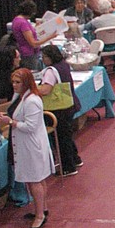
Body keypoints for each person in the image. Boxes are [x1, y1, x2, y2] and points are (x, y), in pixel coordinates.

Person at [0, 68, 53, 228]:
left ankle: (39, 216)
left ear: (26, 82)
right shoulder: (21, 97)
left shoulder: (32, 101)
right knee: (37, 178)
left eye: (18, 82)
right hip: (26, 144)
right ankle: (42, 207)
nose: (14, 85)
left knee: (35, 179)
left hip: (31, 145)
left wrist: (11, 122)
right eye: (13, 82)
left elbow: (30, 126)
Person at [39, 45, 82, 177]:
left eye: (44, 57)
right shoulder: (64, 65)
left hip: (58, 109)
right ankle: (75, 159)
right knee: (67, 135)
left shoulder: (50, 71)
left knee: (61, 138)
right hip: (69, 104)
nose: (43, 59)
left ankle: (68, 167)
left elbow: (46, 90)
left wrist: (32, 89)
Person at [11, 0, 47, 70]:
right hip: (29, 54)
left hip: (25, 52)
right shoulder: (23, 23)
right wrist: (50, 36)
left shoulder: (17, 20)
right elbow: (33, 43)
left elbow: (28, 33)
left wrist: (37, 27)